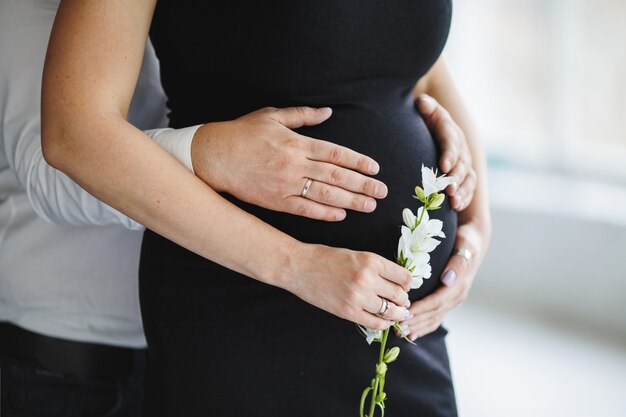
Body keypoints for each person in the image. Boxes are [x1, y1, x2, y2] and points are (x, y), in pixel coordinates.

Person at [41, 1, 491, 416]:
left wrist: (477, 225)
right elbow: (74, 128)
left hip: (405, 326)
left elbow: (420, 71)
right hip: (246, 308)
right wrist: (298, 265)